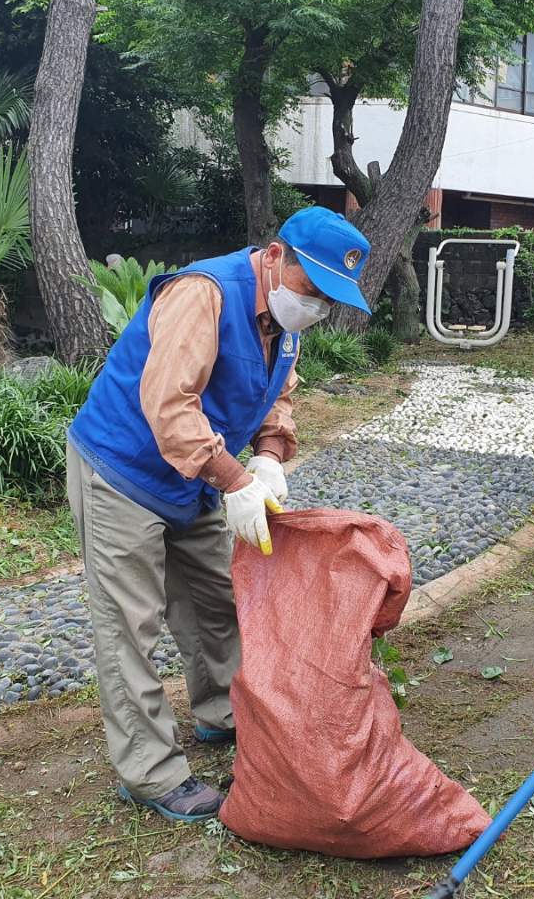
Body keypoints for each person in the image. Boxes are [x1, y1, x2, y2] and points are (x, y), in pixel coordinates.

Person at [66, 206, 372, 824]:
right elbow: (168, 404)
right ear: (276, 255)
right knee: (131, 625)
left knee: (217, 601)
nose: (314, 308)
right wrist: (232, 479)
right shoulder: (203, 294)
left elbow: (276, 391)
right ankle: (149, 773)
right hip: (123, 471)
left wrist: (267, 455)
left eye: (327, 300)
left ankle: (221, 713)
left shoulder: (285, 320)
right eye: (312, 290)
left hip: (196, 477)